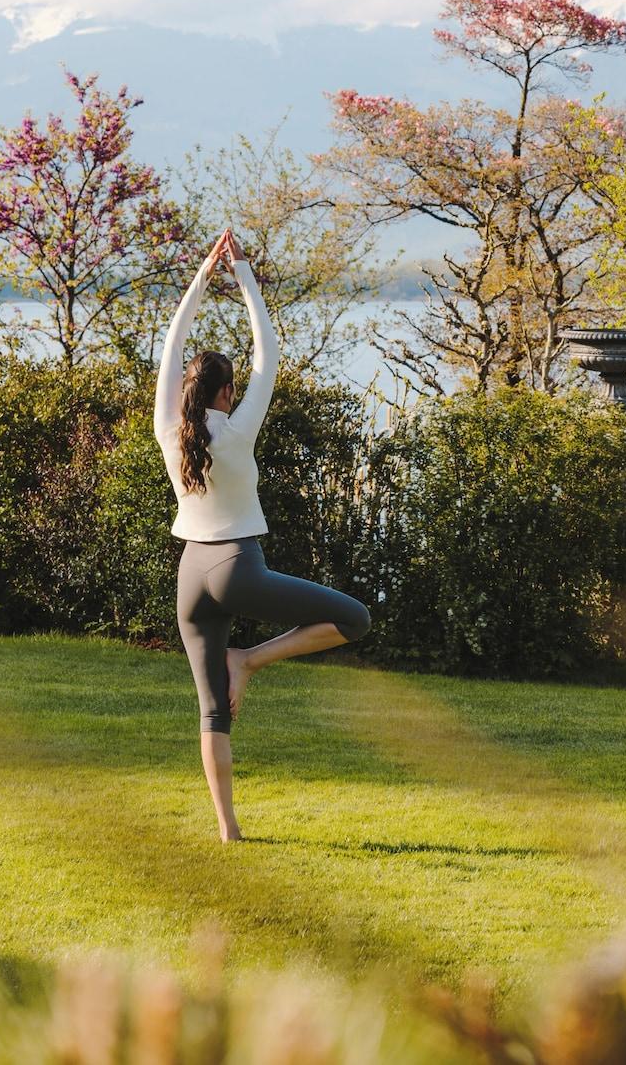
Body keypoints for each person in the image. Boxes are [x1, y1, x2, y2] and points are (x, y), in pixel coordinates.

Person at [153, 228, 372, 842]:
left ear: (187, 392)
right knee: (353, 619)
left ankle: (228, 830)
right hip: (237, 569)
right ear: (225, 393)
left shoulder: (168, 431)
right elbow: (266, 356)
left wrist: (200, 277)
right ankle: (248, 659)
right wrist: (244, 275)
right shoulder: (238, 428)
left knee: (212, 713)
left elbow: (172, 345)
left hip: (190, 576)